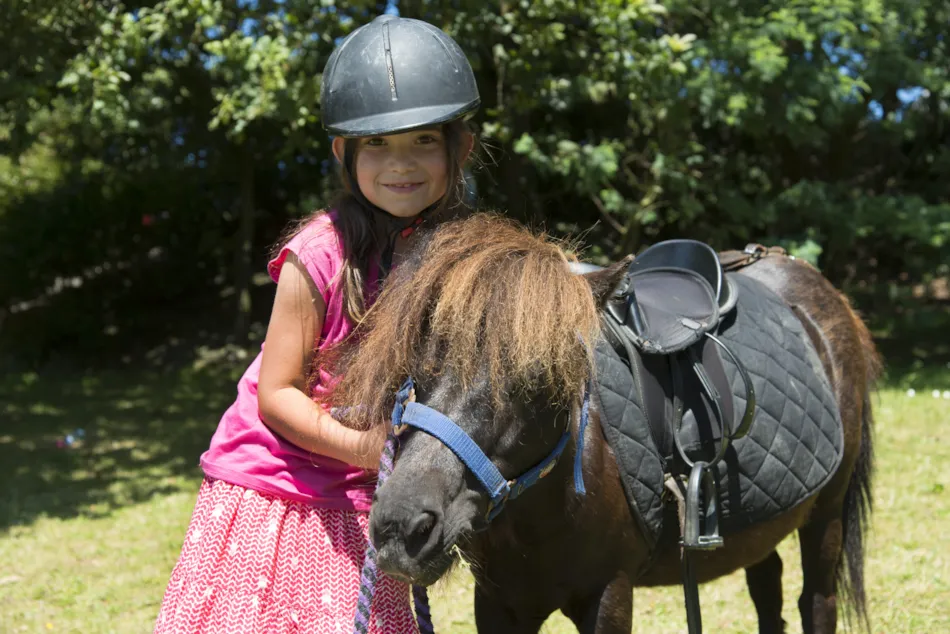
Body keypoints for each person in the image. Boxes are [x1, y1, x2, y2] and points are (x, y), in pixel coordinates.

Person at [154, 15, 479, 634]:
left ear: (459, 147)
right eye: (377, 143)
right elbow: (276, 394)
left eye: (423, 141)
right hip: (280, 491)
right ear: (343, 153)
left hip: (369, 491)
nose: (401, 163)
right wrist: (369, 447)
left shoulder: (455, 259)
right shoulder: (319, 254)